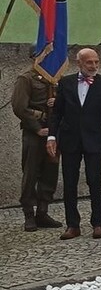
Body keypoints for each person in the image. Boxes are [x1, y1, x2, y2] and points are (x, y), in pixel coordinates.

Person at [47, 48, 101, 240]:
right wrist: (52, 137)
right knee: (70, 182)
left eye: (96, 62)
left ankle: (97, 223)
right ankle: (72, 225)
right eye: (89, 63)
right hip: (70, 140)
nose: (93, 66)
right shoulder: (66, 83)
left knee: (94, 180)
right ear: (79, 64)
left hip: (94, 139)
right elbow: (57, 113)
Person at [11, 46, 63, 232]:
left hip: (53, 133)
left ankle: (43, 211)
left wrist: (57, 102)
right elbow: (19, 107)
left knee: (50, 172)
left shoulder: (57, 79)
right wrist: (37, 126)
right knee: (31, 173)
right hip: (34, 133)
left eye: (51, 53)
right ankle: (29, 214)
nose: (49, 57)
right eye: (45, 53)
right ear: (35, 57)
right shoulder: (26, 78)